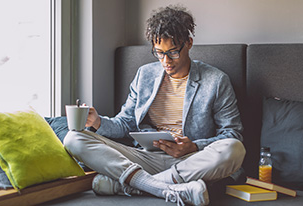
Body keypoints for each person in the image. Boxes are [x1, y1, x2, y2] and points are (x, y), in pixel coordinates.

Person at [64, 5, 245, 206]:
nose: (166, 61)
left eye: (173, 52)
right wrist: (98, 122)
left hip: (191, 161)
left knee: (234, 149)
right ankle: (168, 187)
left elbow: (232, 134)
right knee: (74, 138)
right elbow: (125, 123)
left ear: (189, 43)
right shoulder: (144, 75)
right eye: (159, 53)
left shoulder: (216, 81)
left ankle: (132, 186)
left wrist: (193, 146)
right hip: (145, 159)